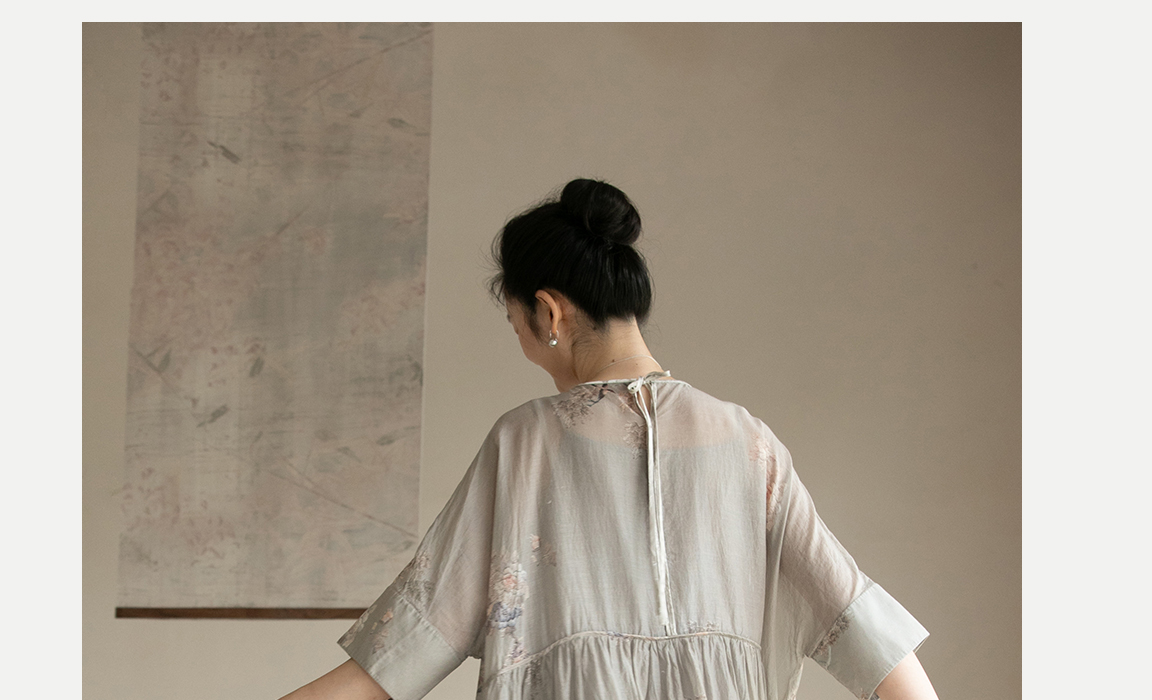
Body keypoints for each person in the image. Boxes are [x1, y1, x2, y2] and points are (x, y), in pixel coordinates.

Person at [280, 179, 940, 700]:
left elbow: (405, 651)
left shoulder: (526, 442)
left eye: (516, 323)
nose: (522, 342)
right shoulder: (748, 442)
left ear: (548, 311)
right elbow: (864, 631)